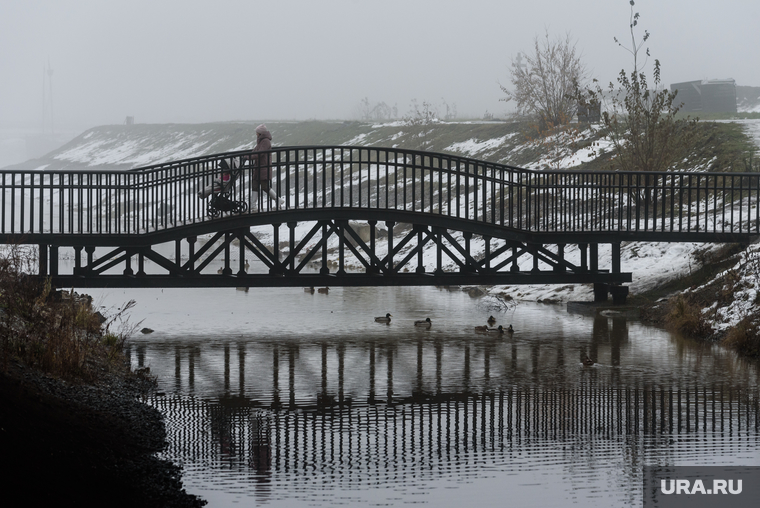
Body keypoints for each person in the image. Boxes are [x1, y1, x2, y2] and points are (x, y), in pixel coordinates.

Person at [246, 124, 282, 211]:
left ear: (260, 133)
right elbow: (255, 151)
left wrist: (248, 157)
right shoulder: (260, 141)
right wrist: (248, 155)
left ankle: (278, 200)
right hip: (258, 167)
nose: (256, 134)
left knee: (264, 186)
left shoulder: (265, 141)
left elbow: (260, 153)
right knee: (254, 185)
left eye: (257, 133)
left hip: (264, 167)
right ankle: (253, 205)